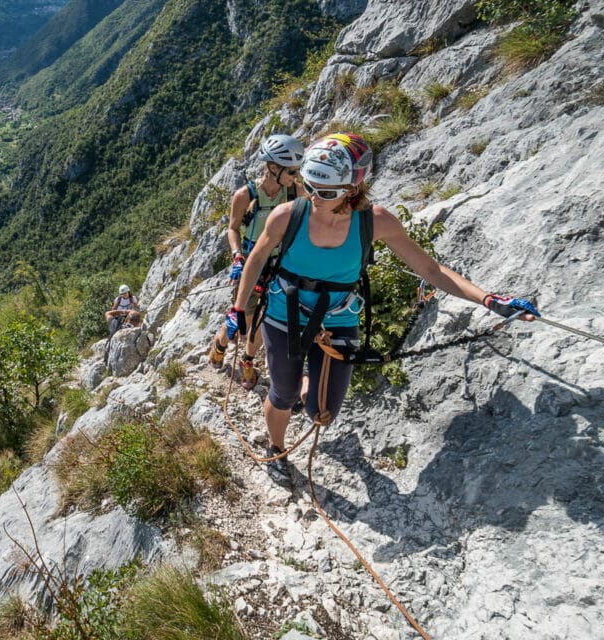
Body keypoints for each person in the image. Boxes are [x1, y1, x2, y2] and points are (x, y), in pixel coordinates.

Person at [224, 133, 539, 483]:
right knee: (282, 394)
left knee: (322, 411)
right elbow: (257, 257)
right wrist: (238, 311)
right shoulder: (287, 215)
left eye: (326, 192)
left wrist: (489, 300)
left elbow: (431, 270)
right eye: (308, 186)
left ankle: (308, 375)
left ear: (353, 188)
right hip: (285, 316)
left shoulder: (376, 222)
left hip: (337, 320)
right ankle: (276, 449)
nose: (314, 197)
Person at [208, 134, 305, 390]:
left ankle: (247, 361)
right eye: (292, 171)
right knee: (243, 319)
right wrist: (237, 255)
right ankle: (220, 345)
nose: (295, 176)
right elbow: (232, 228)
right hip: (251, 261)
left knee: (266, 316)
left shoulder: (295, 192)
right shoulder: (245, 195)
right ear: (273, 168)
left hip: (278, 263)